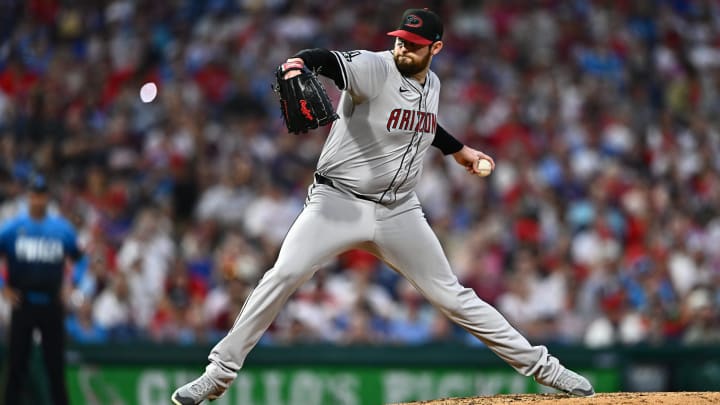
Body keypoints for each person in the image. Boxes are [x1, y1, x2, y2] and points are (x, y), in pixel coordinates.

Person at [172, 8, 594, 404]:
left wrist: (458, 150)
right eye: (400, 40)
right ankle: (220, 371)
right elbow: (328, 61)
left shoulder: (434, 84)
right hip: (338, 202)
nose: (403, 49)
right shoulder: (375, 67)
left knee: (453, 296)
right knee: (284, 273)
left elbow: (423, 123)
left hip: (399, 211)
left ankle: (545, 370)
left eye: (414, 43)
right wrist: (298, 64)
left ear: (436, 49)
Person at [0, 174, 82, 405]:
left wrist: (71, 285)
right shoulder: (14, 228)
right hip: (22, 303)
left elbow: (80, 259)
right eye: (35, 195)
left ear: (47, 198)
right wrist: (3, 288)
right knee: (16, 365)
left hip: (51, 304)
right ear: (29, 197)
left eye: (42, 195)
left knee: (55, 367)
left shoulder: (61, 230)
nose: (38, 200)